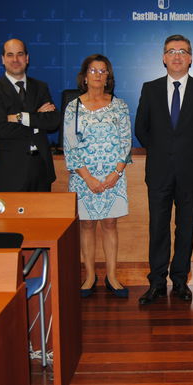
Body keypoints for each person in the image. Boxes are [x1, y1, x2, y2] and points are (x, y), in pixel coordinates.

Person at [134, 34, 193, 304]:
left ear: (191, 58)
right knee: (158, 227)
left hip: (191, 172)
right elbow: (142, 129)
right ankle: (157, 282)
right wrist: (164, 153)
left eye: (183, 51)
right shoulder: (150, 88)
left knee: (186, 228)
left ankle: (181, 281)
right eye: (171, 51)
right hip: (159, 171)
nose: (177, 56)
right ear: (163, 58)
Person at [64, 54, 132, 298]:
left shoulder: (120, 106)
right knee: (87, 225)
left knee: (110, 224)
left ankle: (112, 276)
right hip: (85, 178)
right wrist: (88, 178)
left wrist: (115, 173)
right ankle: (90, 276)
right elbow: (70, 146)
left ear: (108, 77)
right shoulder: (73, 107)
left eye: (103, 71)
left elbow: (126, 142)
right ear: (84, 76)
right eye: (93, 71)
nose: (98, 75)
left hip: (113, 176)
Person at [0, 38, 61, 191]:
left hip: (40, 169)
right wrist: (36, 120)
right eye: (10, 55)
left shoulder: (40, 87)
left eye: (20, 54)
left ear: (27, 58)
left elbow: (53, 121)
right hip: (10, 172)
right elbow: (2, 129)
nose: (15, 59)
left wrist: (21, 117)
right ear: (3, 59)